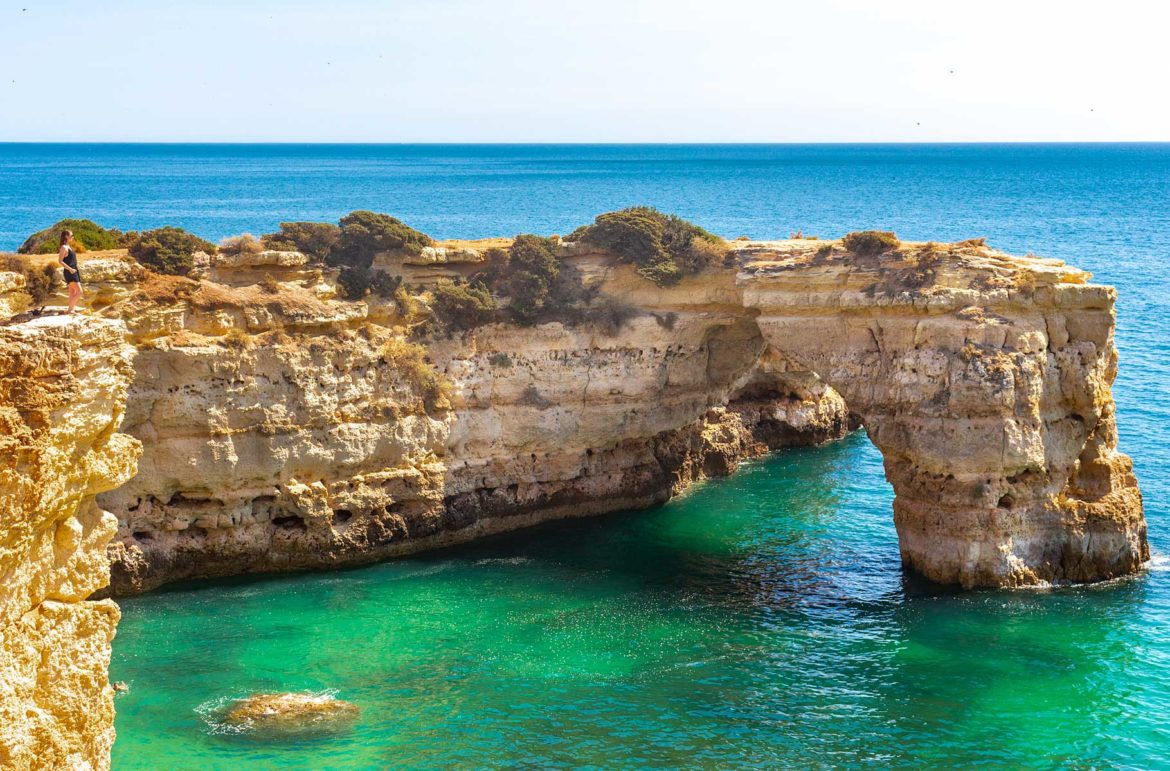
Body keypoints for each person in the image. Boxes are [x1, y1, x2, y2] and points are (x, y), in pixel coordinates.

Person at [57, 229, 82, 313]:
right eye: (71, 235)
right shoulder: (64, 247)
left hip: (73, 270)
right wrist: (70, 269)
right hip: (70, 271)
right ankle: (69, 310)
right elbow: (60, 261)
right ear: (66, 236)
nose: (73, 237)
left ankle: (71, 309)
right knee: (79, 292)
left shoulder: (68, 246)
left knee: (72, 292)